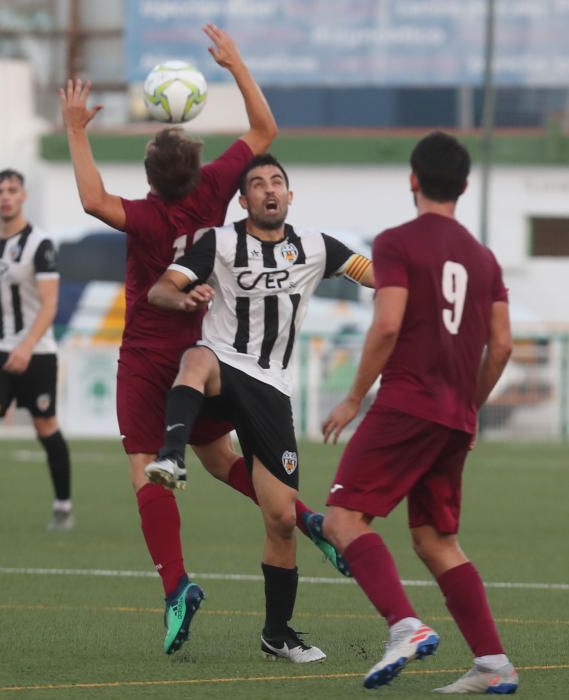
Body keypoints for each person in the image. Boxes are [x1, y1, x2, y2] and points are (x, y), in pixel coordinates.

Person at [60, 24, 345, 657]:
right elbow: (264, 131)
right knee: (219, 460)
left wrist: (77, 128)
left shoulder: (145, 214)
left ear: (152, 177)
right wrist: (236, 64)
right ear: (199, 172)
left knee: (146, 470)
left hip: (147, 357)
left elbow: (90, 198)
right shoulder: (217, 190)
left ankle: (177, 585)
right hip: (209, 353)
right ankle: (306, 519)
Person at [146, 153, 375, 663]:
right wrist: (182, 299)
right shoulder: (221, 242)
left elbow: (374, 274)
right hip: (224, 364)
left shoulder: (316, 246)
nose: (269, 189)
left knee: (280, 519)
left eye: (277, 182)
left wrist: (421, 281)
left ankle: (277, 634)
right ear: (243, 199)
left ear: (289, 196)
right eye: (257, 183)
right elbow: (160, 287)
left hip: (272, 389)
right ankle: (171, 455)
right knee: (197, 357)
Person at [316, 132, 518, 693]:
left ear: (413, 180)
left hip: (407, 402)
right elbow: (501, 345)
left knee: (342, 519)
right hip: (454, 415)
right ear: (466, 186)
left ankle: (404, 625)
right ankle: (494, 664)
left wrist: (355, 396)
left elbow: (387, 322)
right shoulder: (485, 259)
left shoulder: (397, 242)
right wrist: (470, 409)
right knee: (435, 539)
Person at [0, 169, 74, 533]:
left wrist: (26, 347)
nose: (5, 196)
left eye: (12, 190)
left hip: (37, 353)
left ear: (23, 197)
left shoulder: (40, 244)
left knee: (45, 425)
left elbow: (50, 305)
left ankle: (63, 505)